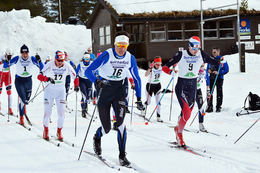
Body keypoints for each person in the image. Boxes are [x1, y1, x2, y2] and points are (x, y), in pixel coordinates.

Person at [85, 31, 145, 167]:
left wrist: (140, 98)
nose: (122, 48)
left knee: (120, 123)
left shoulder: (130, 58)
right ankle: (97, 137)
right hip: (105, 89)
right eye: (119, 45)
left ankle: (122, 155)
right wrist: (97, 81)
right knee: (106, 128)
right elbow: (89, 71)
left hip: (120, 90)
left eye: (125, 46)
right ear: (115, 44)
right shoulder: (107, 55)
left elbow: (137, 78)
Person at [162, 36, 220, 147]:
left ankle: (177, 129)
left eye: (197, 49)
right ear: (189, 46)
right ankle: (179, 134)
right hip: (182, 86)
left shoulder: (201, 54)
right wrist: (171, 72)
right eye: (193, 49)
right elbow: (165, 67)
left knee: (187, 115)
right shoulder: (181, 54)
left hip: (193, 87)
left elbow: (213, 61)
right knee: (187, 112)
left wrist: (220, 61)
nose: (195, 51)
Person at [37, 51, 79, 141]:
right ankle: (46, 131)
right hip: (49, 92)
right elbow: (39, 76)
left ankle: (59, 131)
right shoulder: (50, 64)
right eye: (58, 60)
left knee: (61, 114)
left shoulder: (67, 65)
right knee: (47, 113)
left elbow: (75, 76)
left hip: (61, 92)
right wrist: (47, 78)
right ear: (55, 59)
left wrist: (76, 85)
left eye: (62, 60)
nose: (60, 63)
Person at [4, 44, 44, 125]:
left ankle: (23, 108)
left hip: (28, 80)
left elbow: (42, 67)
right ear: (21, 53)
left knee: (27, 99)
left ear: (28, 53)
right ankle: (21, 118)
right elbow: (5, 66)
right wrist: (7, 60)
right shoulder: (17, 58)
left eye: (26, 53)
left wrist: (39, 61)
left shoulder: (31, 58)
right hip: (19, 80)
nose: (25, 55)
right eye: (23, 53)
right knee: (23, 99)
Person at [205, 47, 229, 113]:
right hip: (211, 77)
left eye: (214, 52)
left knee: (219, 92)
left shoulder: (222, 60)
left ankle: (218, 106)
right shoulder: (211, 59)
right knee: (209, 92)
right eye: (212, 52)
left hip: (219, 78)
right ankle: (209, 106)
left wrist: (218, 72)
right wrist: (208, 70)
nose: (213, 53)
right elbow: (207, 68)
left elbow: (226, 70)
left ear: (218, 52)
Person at [144, 56, 164, 122]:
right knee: (148, 102)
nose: (158, 66)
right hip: (150, 85)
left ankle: (158, 116)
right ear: (154, 63)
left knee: (158, 102)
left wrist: (174, 68)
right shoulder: (151, 68)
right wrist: (150, 68)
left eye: (160, 64)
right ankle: (143, 108)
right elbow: (146, 75)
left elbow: (167, 68)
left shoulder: (161, 67)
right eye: (157, 64)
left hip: (157, 86)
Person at [75, 53, 93, 118]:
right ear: (83, 59)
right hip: (82, 80)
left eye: (88, 59)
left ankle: (86, 108)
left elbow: (96, 70)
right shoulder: (80, 64)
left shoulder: (91, 63)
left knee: (88, 96)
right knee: (84, 95)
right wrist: (76, 75)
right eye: (86, 59)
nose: (87, 60)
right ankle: (83, 109)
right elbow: (76, 71)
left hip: (89, 80)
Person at [0, 48, 14, 115]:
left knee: (9, 91)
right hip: (1, 74)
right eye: (9, 56)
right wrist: (2, 62)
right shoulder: (1, 57)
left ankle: (10, 108)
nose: (10, 57)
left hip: (7, 75)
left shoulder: (11, 58)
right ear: (5, 54)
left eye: (11, 56)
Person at [196, 64, 207, 132]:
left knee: (202, 108)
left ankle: (201, 124)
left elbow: (207, 80)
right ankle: (180, 119)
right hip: (191, 91)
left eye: (203, 67)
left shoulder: (203, 72)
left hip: (198, 90)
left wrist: (209, 90)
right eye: (201, 67)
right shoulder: (194, 71)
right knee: (188, 107)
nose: (202, 69)